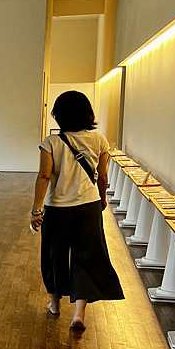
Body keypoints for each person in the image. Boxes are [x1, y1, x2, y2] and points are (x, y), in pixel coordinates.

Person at [30, 90, 123, 330]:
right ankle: (79, 314)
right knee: (86, 256)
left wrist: (36, 210)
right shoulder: (99, 141)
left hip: (58, 208)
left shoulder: (51, 142)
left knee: (53, 256)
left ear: (58, 115)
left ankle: (55, 304)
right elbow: (102, 176)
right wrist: (102, 199)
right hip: (88, 206)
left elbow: (44, 176)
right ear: (87, 114)